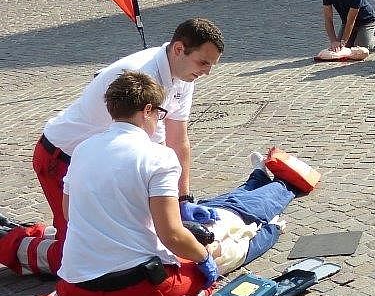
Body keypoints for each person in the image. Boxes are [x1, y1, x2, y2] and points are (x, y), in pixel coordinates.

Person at [0, 72, 224, 296]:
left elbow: (68, 212)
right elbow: (171, 234)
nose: (159, 120)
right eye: (159, 113)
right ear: (147, 110)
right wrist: (204, 257)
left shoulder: (81, 150)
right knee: (203, 280)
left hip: (76, 286)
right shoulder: (160, 157)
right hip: (136, 289)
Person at [22, 18, 224, 277]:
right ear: (178, 49)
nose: (207, 72)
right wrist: (174, 222)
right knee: (77, 254)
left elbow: (178, 138)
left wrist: (183, 200)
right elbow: (155, 155)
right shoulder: (141, 75)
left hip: (100, 159)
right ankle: (10, 242)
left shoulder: (184, 77)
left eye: (211, 65)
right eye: (203, 62)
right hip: (62, 156)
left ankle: (38, 234)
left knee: (116, 238)